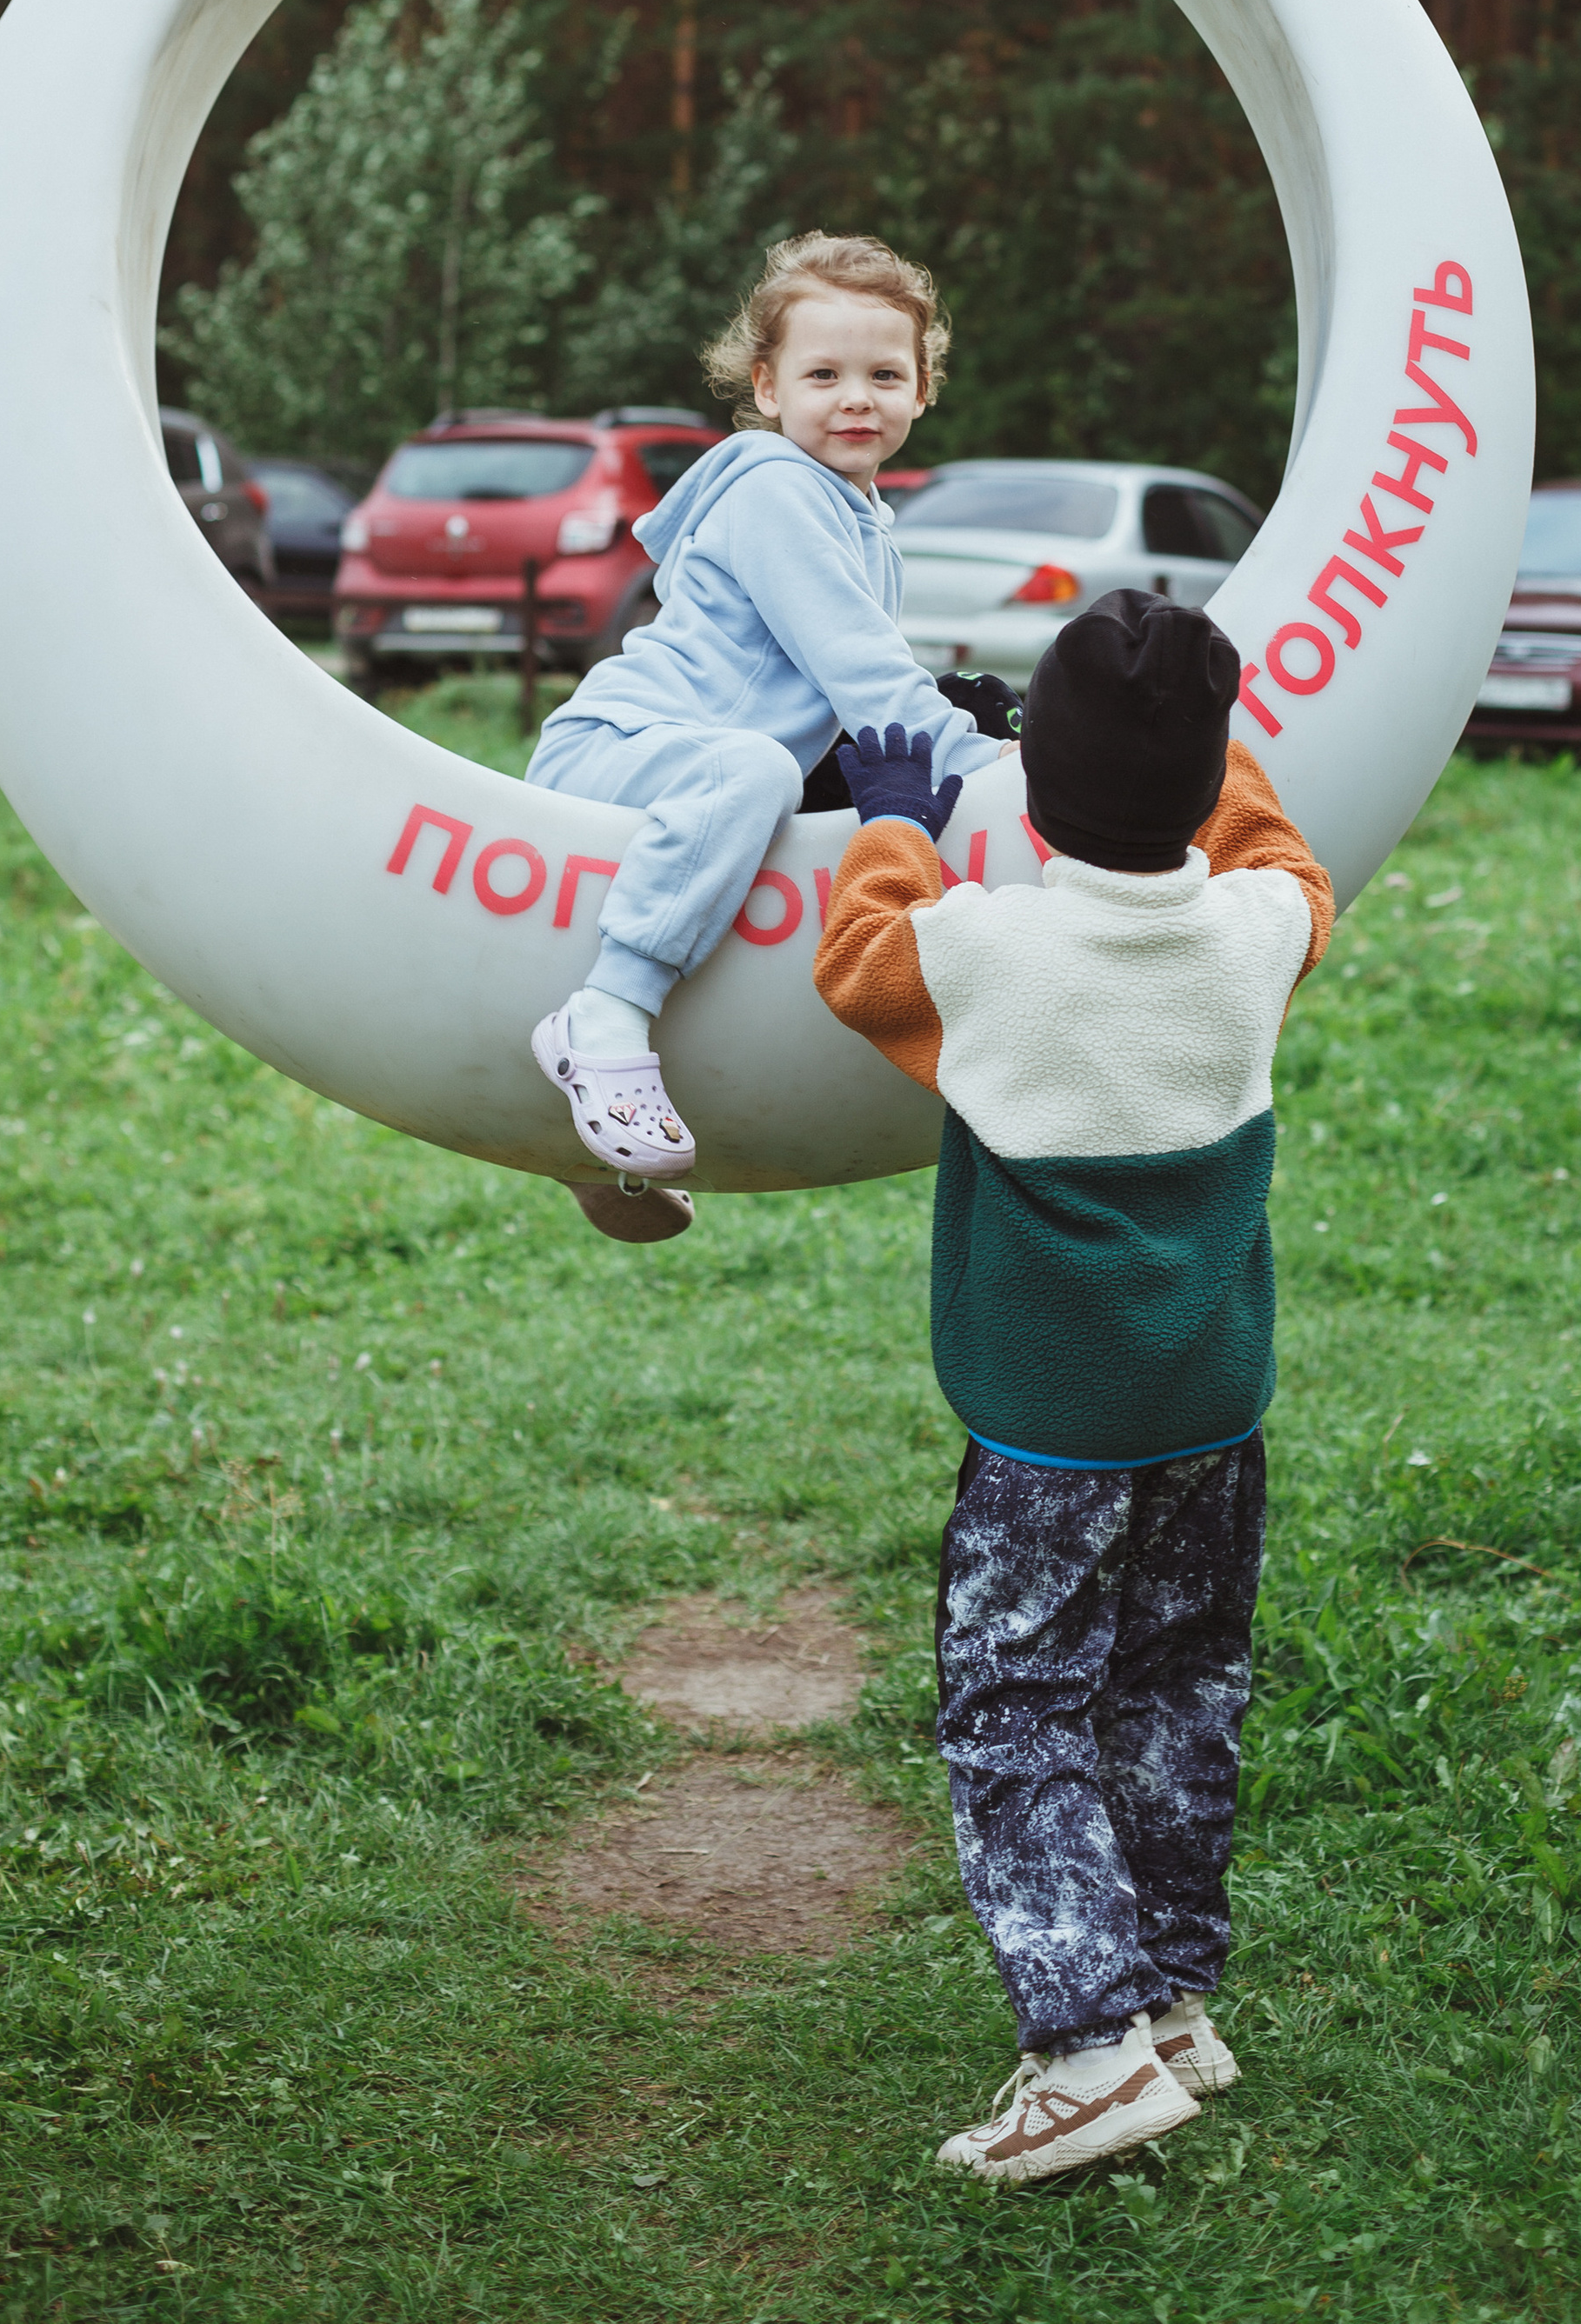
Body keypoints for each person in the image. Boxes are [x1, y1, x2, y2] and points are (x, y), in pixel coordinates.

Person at [813, 590, 1332, 2187]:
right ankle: (1173, 2004)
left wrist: (894, 819)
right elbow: (1286, 859)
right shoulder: (1259, 931)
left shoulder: (989, 946)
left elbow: (857, 958)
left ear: (1032, 790)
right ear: (1206, 774)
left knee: (1017, 1710)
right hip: (1211, 1409)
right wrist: (1188, 748)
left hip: (1052, 1431)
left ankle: (1089, 2051)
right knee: (1180, 1686)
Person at [526, 230, 1010, 1241]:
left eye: (884, 373)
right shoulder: (778, 493)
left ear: (923, 389)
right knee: (755, 770)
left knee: (786, 796)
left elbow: (851, 697)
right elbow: (863, 674)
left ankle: (579, 1143)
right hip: (624, 747)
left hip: (704, 776)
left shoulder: (860, 514)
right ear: (767, 385)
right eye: (823, 373)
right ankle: (603, 1017)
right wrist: (1001, 777)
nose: (855, 398)